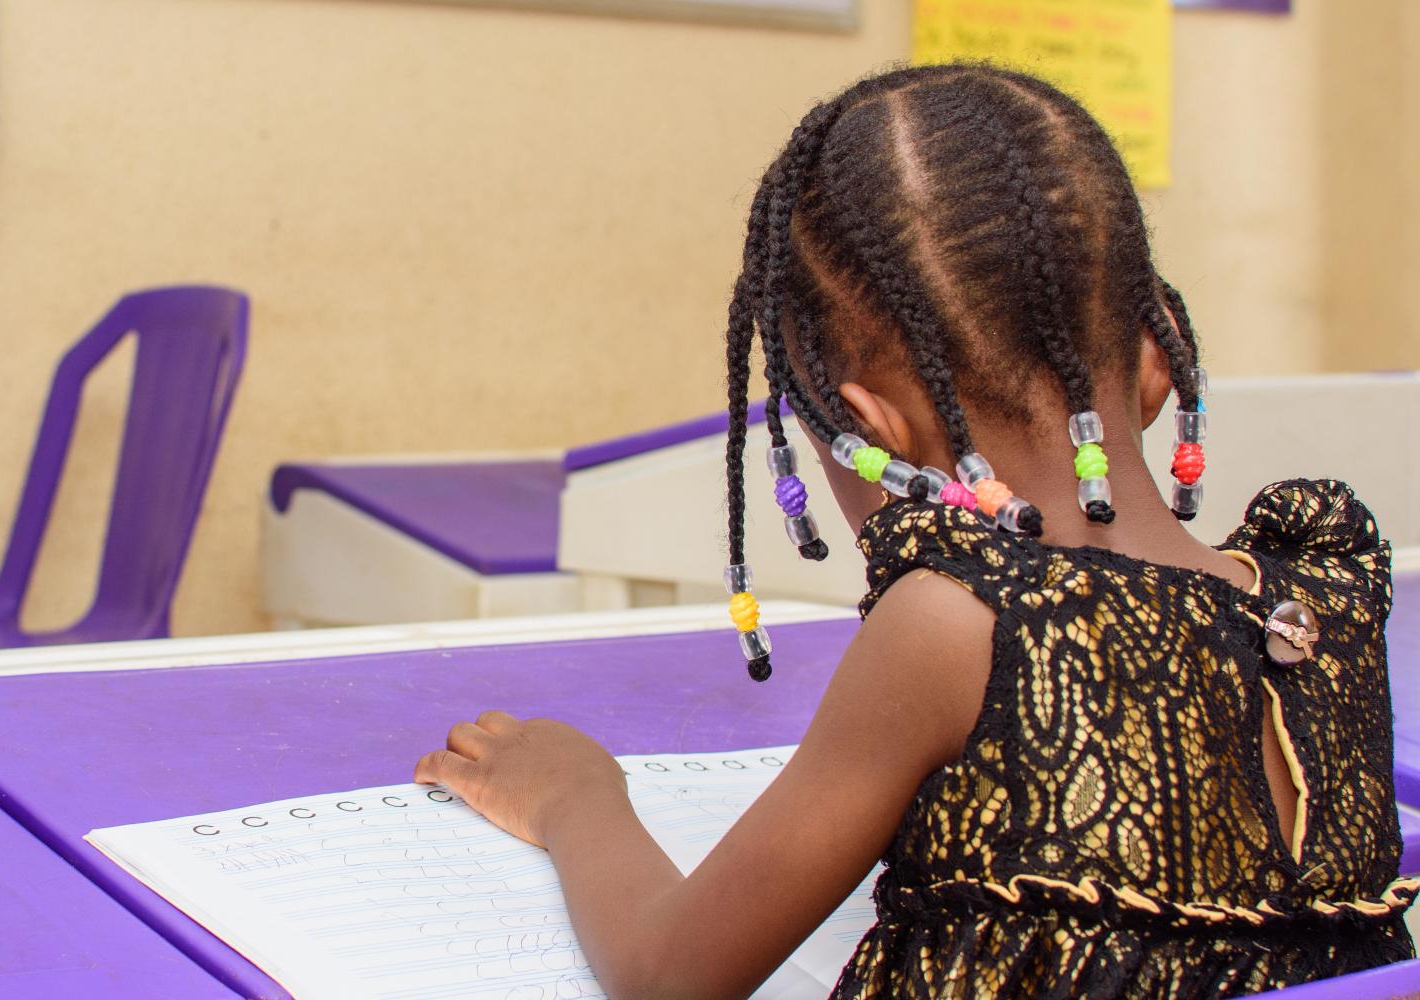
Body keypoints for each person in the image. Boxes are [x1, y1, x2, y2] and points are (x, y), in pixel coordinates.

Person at [414, 63, 1413, 998]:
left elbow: (668, 972)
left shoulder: (954, 624)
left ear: (871, 433)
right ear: (1158, 362)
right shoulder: (1318, 597)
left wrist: (572, 795)